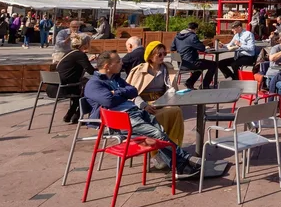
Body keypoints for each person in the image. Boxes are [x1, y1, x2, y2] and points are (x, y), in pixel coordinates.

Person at [84, 50, 200, 178]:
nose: (121, 63)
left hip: (136, 112)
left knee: (160, 132)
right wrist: (122, 93)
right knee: (157, 134)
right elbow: (108, 101)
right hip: (120, 120)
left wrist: (116, 92)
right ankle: (183, 163)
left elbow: (133, 91)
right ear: (107, 65)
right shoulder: (94, 84)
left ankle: (179, 163)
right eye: (118, 61)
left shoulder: (116, 79)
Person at [127, 41, 185, 166]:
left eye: (164, 54)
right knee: (157, 117)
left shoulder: (167, 69)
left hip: (162, 102)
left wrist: (172, 93)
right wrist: (144, 105)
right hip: (144, 104)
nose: (162, 57)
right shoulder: (139, 71)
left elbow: (172, 89)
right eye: (159, 54)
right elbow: (131, 94)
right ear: (150, 55)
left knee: (176, 111)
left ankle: (173, 148)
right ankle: (157, 153)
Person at [56, 34, 96, 124]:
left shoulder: (69, 53)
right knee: (91, 88)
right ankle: (77, 116)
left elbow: (75, 65)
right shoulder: (80, 55)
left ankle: (72, 115)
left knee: (83, 89)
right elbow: (91, 71)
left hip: (57, 85)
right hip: (68, 87)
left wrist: (88, 61)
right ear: (85, 44)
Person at [172, 22, 220, 89]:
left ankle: (190, 83)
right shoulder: (192, 36)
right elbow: (202, 48)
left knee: (201, 65)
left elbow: (172, 48)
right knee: (213, 64)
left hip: (181, 64)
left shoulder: (177, 36)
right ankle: (205, 85)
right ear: (195, 29)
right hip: (191, 63)